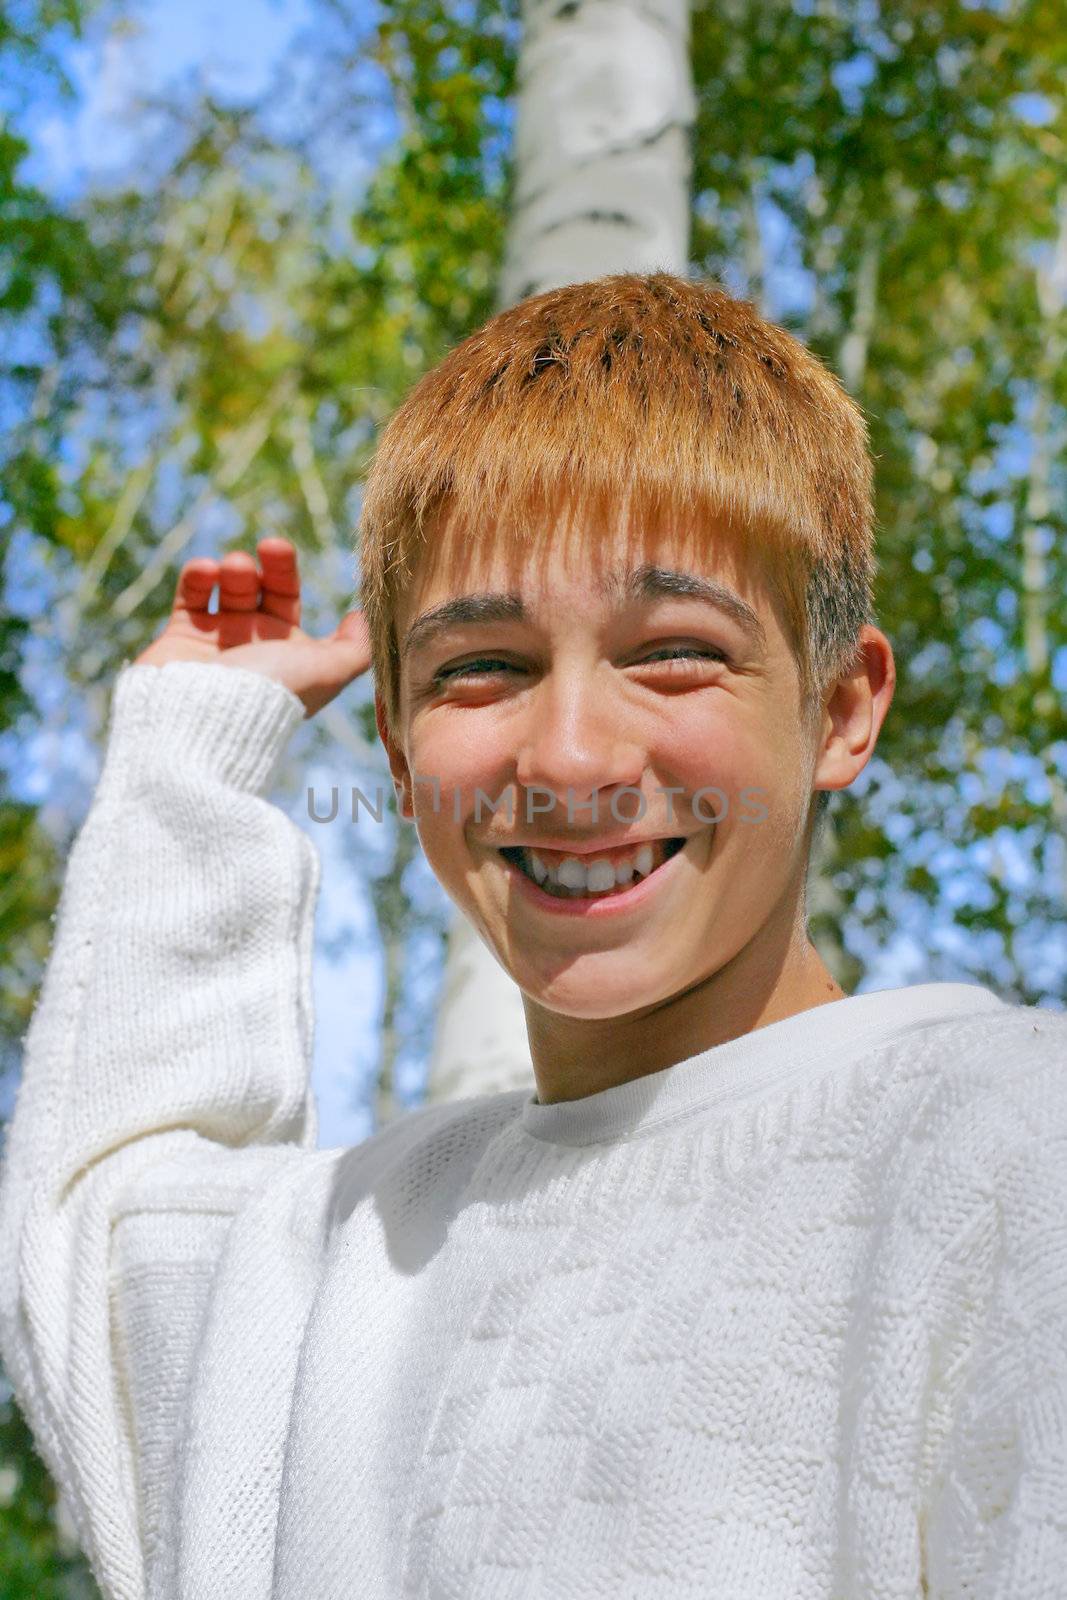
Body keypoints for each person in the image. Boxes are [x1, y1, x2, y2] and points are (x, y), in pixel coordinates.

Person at [1, 270, 1064, 1600]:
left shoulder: (1010, 1150)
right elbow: (101, 1261)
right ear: (396, 749)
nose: (566, 758)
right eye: (480, 670)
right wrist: (188, 755)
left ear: (842, 709)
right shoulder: (344, 1254)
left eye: (673, 652)